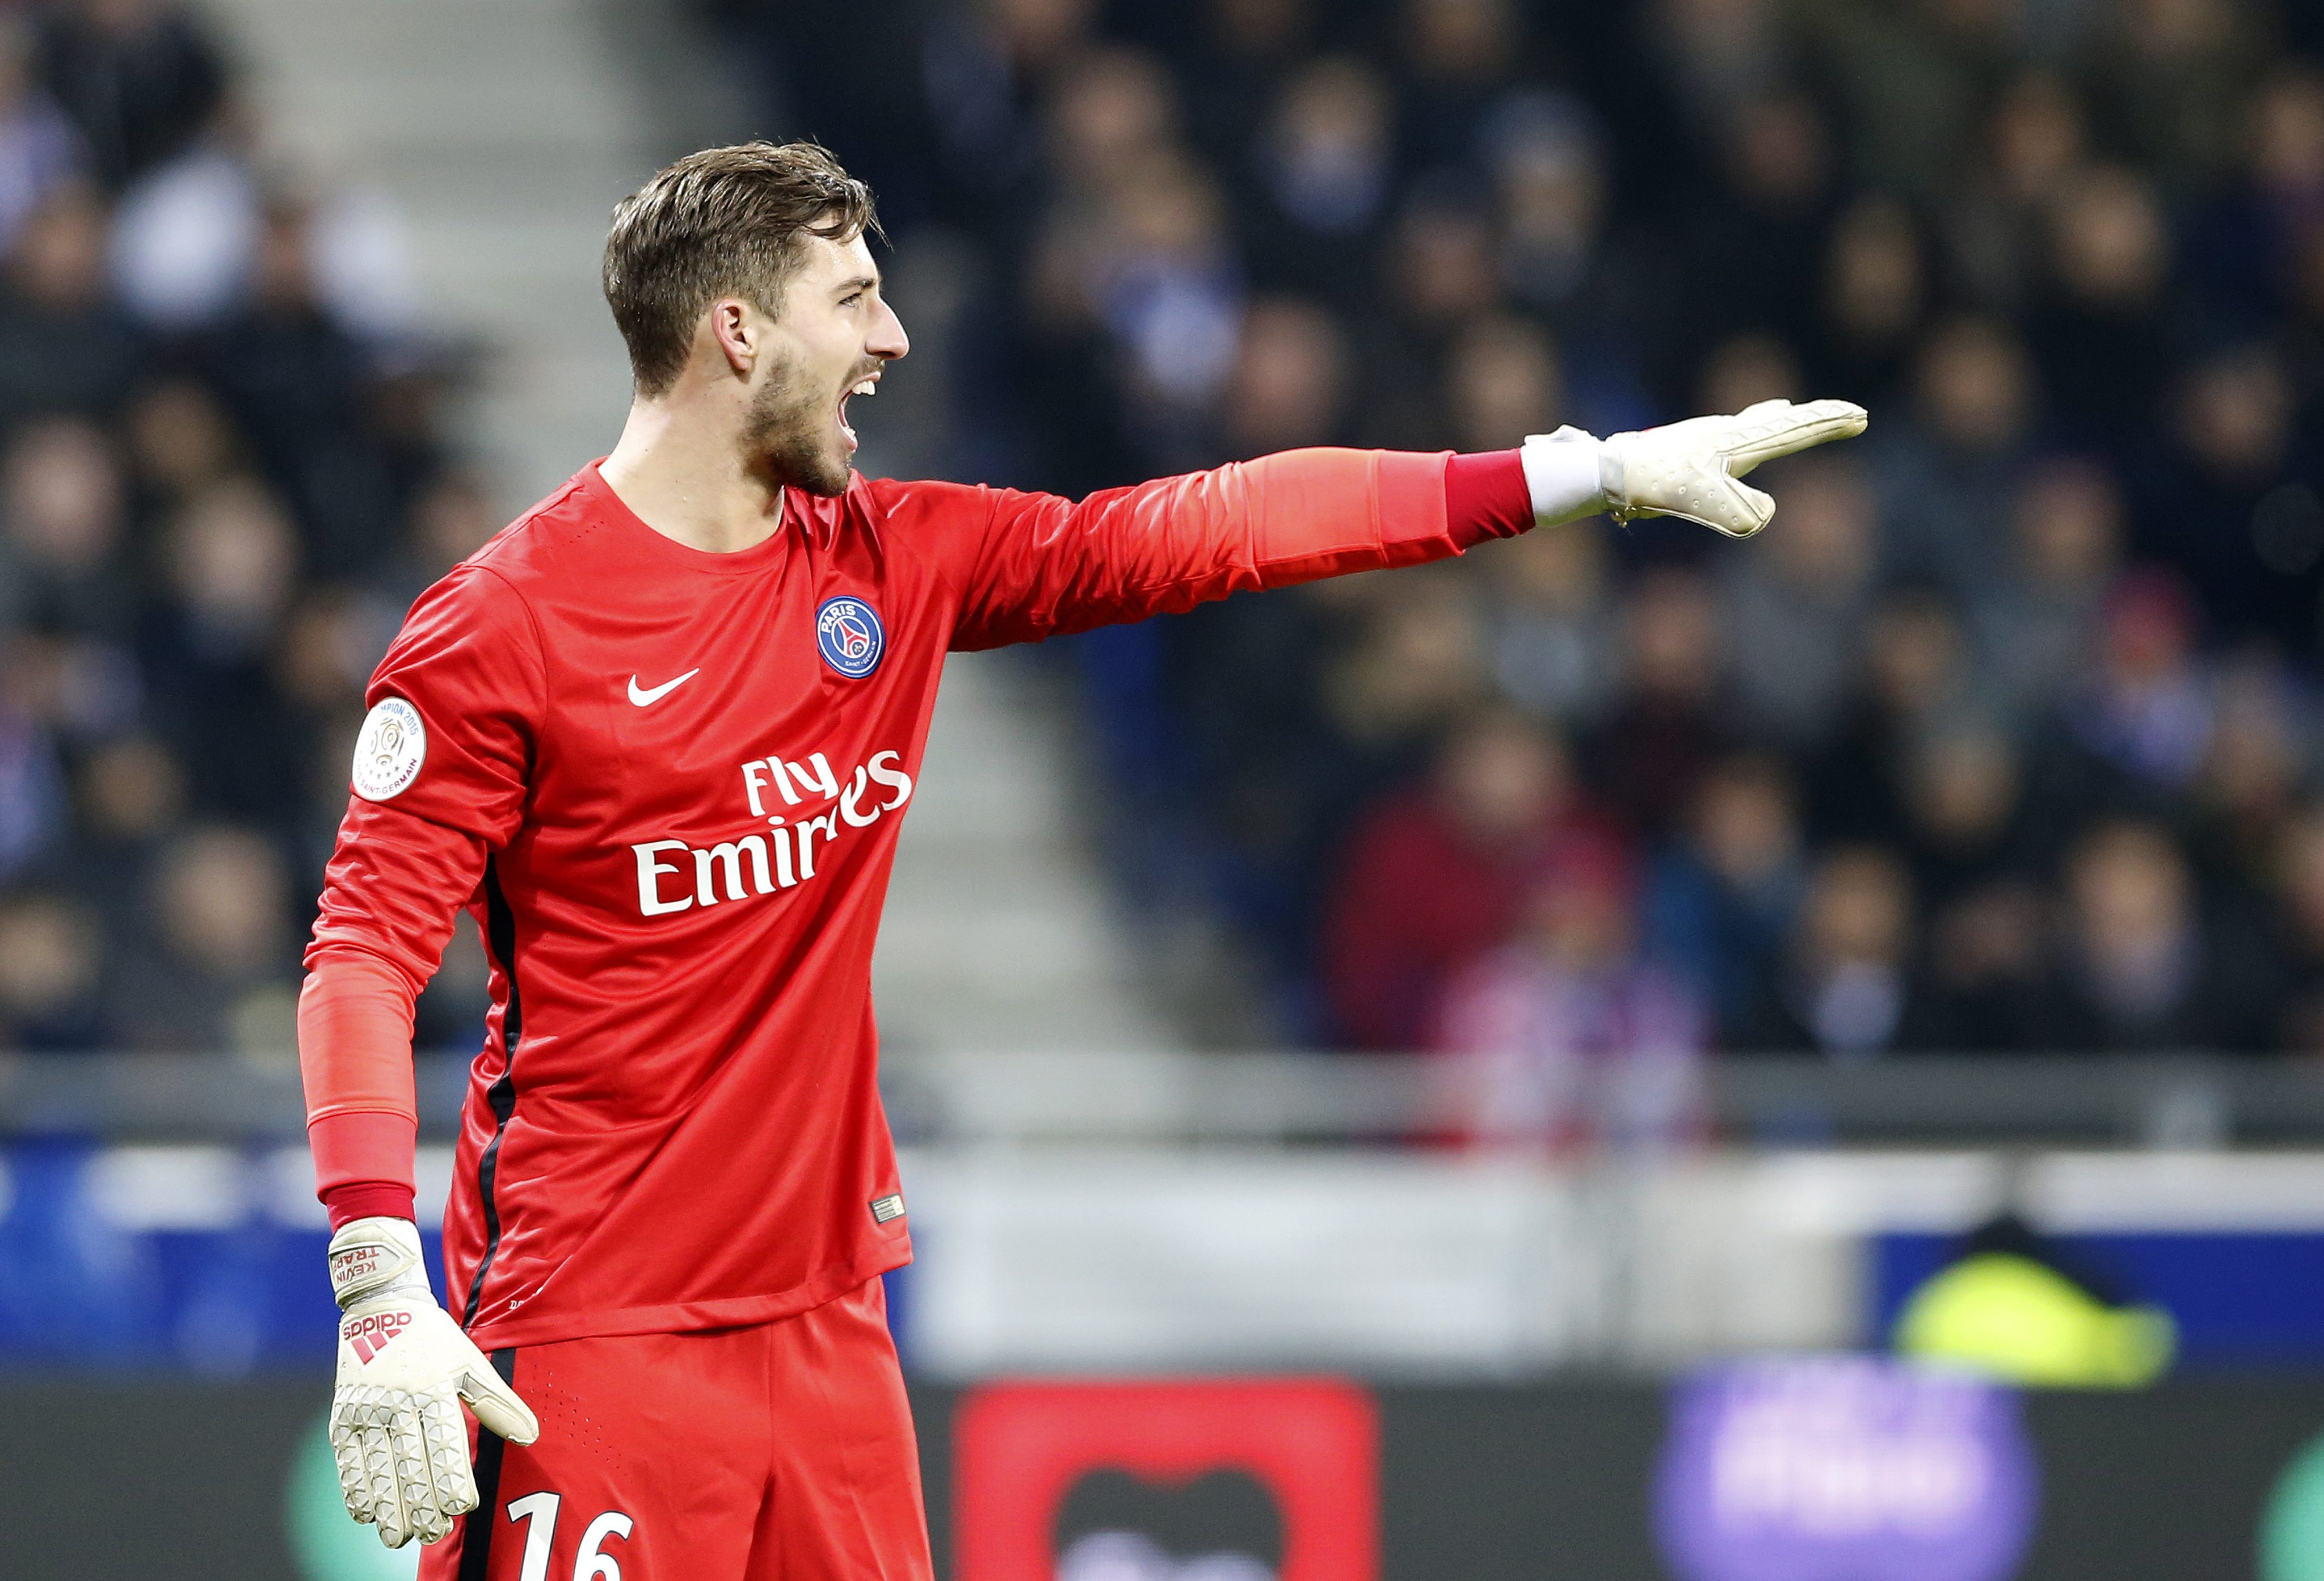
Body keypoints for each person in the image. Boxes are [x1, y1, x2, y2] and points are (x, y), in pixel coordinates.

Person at [295, 141, 1866, 1576]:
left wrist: (1577, 472)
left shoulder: (893, 561)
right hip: (593, 1330)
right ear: (736, 332)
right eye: (852, 300)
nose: (892, 336)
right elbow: (363, 955)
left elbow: (1218, 524)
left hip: (829, 1326)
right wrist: (379, 1289)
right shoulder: (505, 627)